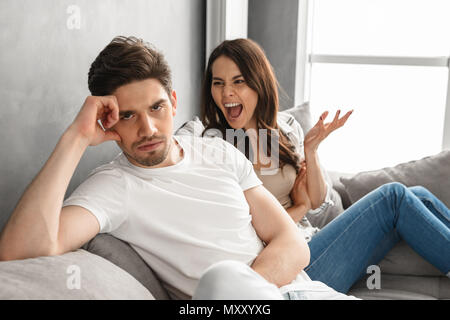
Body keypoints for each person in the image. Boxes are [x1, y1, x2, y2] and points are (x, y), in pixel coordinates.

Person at [0, 36, 359, 300]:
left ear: (173, 103)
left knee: (231, 281)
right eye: (128, 116)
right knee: (221, 282)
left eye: (156, 108)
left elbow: (293, 244)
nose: (148, 129)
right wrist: (75, 138)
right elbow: (20, 250)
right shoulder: (112, 187)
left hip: (299, 294)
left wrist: (249, 292)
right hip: (220, 300)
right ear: (107, 123)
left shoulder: (219, 151)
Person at [199, 38, 450, 293]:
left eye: (238, 81)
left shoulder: (284, 130)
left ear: (258, 82)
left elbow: (317, 199)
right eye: (218, 83)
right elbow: (248, 233)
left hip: (312, 243)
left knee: (418, 195)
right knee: (393, 197)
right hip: (292, 268)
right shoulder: (217, 146)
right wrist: (301, 206)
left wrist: (311, 150)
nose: (226, 92)